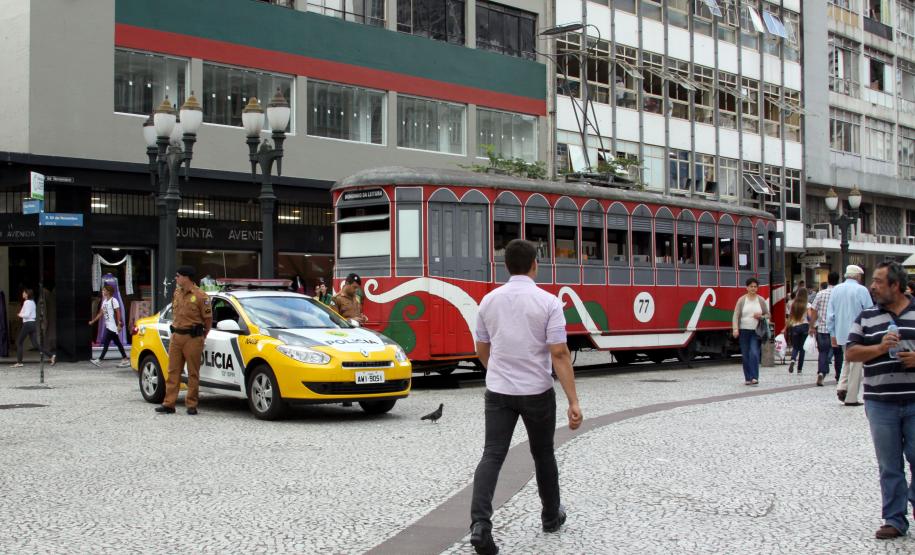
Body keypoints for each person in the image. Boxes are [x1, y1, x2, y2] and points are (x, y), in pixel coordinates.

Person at [469, 239, 582, 555]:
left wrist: (497, 372)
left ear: (506, 266)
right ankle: (550, 516)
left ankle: (480, 524)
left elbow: (481, 348)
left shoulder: (488, 301)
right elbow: (559, 353)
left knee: (492, 454)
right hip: (537, 392)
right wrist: (573, 401)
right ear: (535, 264)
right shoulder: (548, 303)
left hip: (499, 392)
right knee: (543, 454)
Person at [845, 261, 915, 540]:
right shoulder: (866, 316)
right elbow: (851, 353)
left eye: (878, 282)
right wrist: (880, 348)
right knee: (889, 465)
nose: (872, 286)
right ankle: (894, 519)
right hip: (881, 403)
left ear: (895, 286)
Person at [156, 266, 212, 416]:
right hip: (176, 336)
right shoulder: (177, 292)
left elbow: (208, 320)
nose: (176, 278)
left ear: (186, 277)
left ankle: (191, 404)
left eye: (178, 275)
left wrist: (202, 335)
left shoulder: (201, 296)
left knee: (193, 372)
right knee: (173, 371)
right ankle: (169, 404)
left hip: (193, 337)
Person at [828, 265, 873, 406]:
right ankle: (851, 397)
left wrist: (832, 333)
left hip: (841, 332)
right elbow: (870, 311)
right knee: (856, 365)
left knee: (847, 360)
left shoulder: (836, 290)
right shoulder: (862, 290)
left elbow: (830, 315)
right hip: (858, 333)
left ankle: (842, 387)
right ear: (858, 276)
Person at [732, 277, 769, 386]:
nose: (753, 288)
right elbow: (736, 315)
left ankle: (754, 377)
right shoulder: (742, 300)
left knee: (754, 353)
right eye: (751, 286)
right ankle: (747, 378)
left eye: (755, 287)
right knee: (745, 355)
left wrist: (761, 316)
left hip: (756, 331)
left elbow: (768, 314)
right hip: (744, 331)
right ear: (747, 287)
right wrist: (735, 328)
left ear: (757, 288)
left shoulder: (761, 300)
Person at [809, 271, 841, 386]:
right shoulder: (840, 293)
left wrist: (812, 326)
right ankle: (839, 376)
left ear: (828, 280)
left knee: (822, 352)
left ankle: (822, 373)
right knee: (838, 354)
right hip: (837, 330)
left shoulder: (821, 294)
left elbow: (814, 310)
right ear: (838, 280)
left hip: (822, 328)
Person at [11, 289, 55, 367]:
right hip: (32, 324)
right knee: (36, 344)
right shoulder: (33, 302)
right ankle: (51, 355)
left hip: (27, 324)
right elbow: (27, 312)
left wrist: (20, 315)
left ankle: (19, 362)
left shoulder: (26, 302)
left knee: (19, 342)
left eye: (24, 292)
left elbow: (26, 314)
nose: (22, 293)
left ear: (27, 294)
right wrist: (21, 313)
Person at [88, 285, 129, 368]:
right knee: (118, 343)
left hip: (113, 326)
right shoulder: (104, 302)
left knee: (106, 342)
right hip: (109, 325)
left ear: (108, 292)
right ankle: (125, 359)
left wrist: (119, 324)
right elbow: (100, 313)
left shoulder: (114, 301)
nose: (103, 292)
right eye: (103, 290)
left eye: (104, 290)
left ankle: (99, 360)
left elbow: (118, 312)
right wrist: (93, 321)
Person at [782, 287, 809, 374]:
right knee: (802, 349)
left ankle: (793, 360)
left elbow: (790, 318)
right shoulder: (807, 305)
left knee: (795, 347)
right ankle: (799, 369)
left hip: (795, 327)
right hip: (805, 327)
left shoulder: (793, 304)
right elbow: (809, 317)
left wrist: (785, 328)